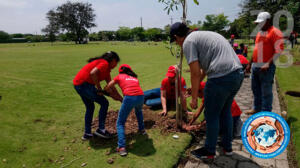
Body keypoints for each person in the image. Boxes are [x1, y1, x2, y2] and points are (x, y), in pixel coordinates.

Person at [170, 22, 244, 160]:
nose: (177, 44)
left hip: (220, 77)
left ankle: (209, 151)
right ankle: (227, 147)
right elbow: (203, 71)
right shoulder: (205, 35)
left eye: (175, 41)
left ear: (177, 37)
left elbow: (195, 73)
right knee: (225, 112)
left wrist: (193, 98)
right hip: (237, 74)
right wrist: (196, 87)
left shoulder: (188, 42)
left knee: (211, 115)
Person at [73, 51, 123, 140]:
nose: (116, 65)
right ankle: (101, 129)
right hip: (84, 85)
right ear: (113, 60)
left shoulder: (107, 70)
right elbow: (93, 73)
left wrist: (120, 99)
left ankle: (87, 134)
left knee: (90, 107)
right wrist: (99, 89)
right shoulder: (104, 63)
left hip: (78, 84)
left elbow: (111, 87)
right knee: (104, 103)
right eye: (116, 62)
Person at [245, 12, 284, 115]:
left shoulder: (275, 32)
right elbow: (256, 50)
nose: (259, 25)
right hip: (255, 66)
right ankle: (256, 108)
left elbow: (279, 50)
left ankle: (266, 112)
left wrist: (268, 63)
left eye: (261, 23)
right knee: (255, 89)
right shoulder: (259, 33)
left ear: (268, 21)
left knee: (266, 91)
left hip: (267, 67)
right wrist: (250, 63)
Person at [105, 64, 146, 156]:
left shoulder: (119, 76)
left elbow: (109, 85)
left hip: (129, 97)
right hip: (141, 97)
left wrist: (105, 90)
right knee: (138, 111)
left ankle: (122, 147)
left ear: (120, 71)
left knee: (120, 122)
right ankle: (142, 130)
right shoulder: (134, 78)